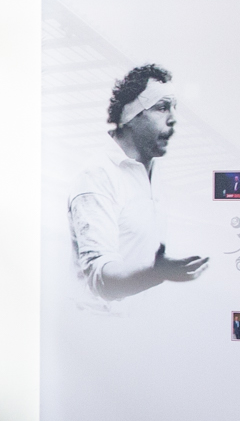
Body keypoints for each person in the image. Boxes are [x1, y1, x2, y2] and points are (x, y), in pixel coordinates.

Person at [67, 63, 209, 300]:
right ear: (131, 116)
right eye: (162, 107)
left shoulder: (156, 169)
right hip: (105, 319)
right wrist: (155, 273)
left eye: (174, 107)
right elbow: (100, 279)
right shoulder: (96, 177)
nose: (173, 119)